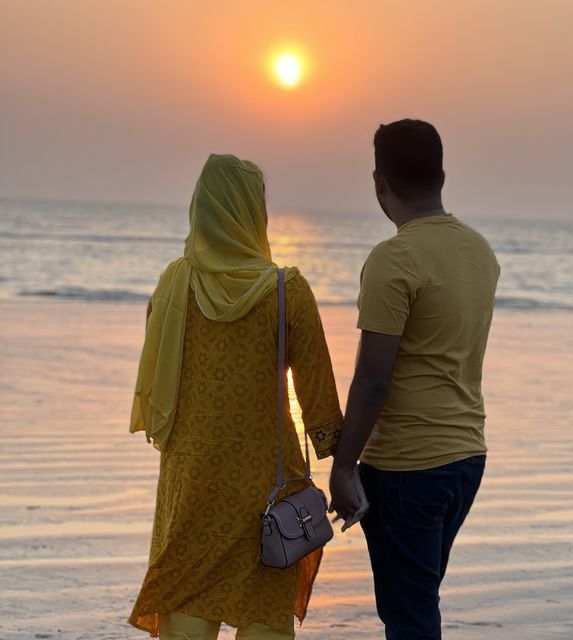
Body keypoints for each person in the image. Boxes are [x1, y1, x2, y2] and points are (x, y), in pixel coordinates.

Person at [128, 154, 343, 639]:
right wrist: (347, 469)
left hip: (193, 480)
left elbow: (161, 383)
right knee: (264, 608)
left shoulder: (173, 285)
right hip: (266, 481)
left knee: (186, 599)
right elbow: (320, 405)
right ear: (254, 211)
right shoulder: (288, 291)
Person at [330, 119, 500, 640]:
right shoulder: (479, 250)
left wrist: (343, 464)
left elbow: (373, 379)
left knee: (409, 617)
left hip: (409, 465)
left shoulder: (394, 258)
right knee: (418, 603)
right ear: (442, 175)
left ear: (379, 181)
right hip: (466, 456)